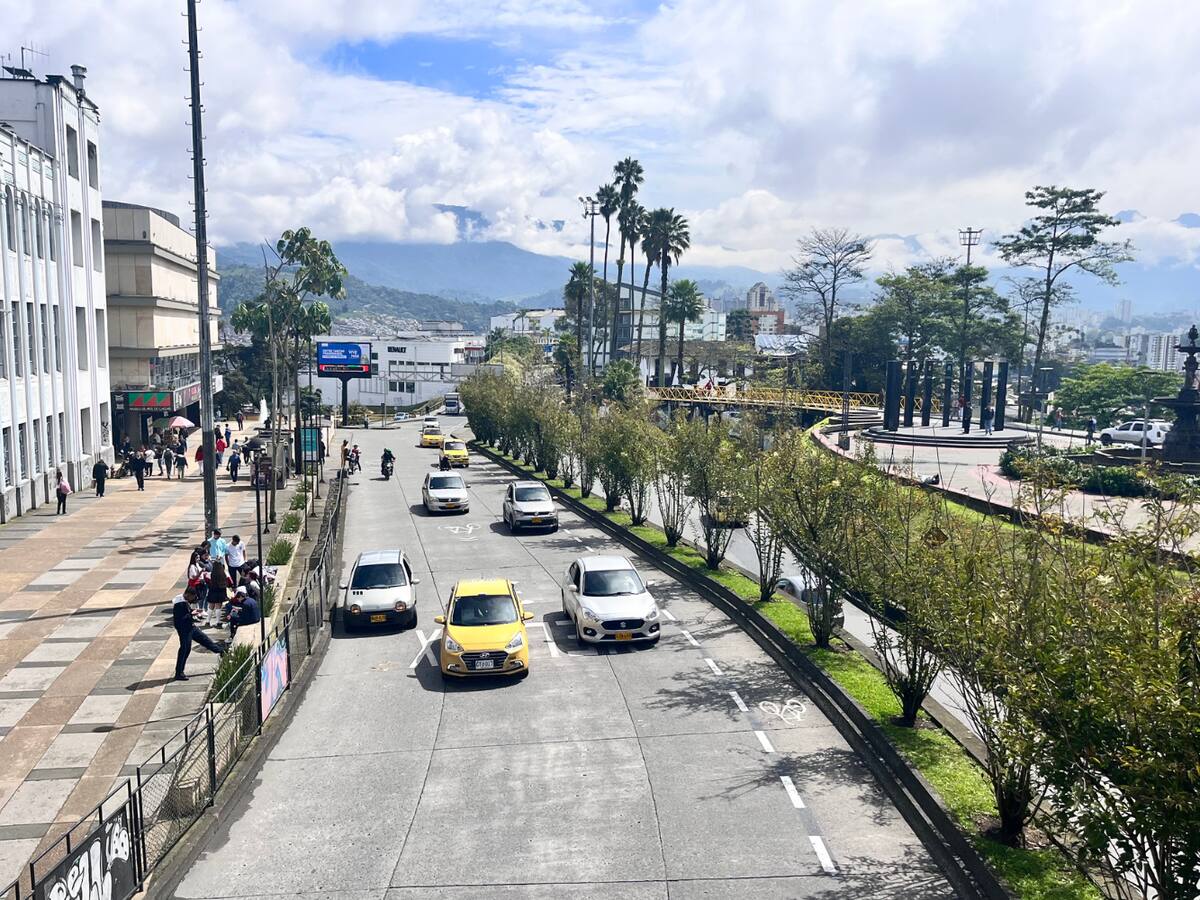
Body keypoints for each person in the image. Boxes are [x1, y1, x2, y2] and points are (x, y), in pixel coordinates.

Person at [173, 586, 225, 681]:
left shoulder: (184, 601)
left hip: (191, 627)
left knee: (205, 640)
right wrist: (191, 614)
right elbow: (179, 619)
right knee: (185, 649)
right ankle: (179, 673)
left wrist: (193, 612)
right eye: (193, 597)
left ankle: (221, 651)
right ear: (188, 595)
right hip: (184, 630)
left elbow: (187, 613)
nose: (193, 599)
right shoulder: (179, 604)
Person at [207, 557, 228, 627]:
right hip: (221, 590)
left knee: (211, 606)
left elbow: (207, 581)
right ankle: (218, 621)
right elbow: (230, 582)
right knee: (218, 606)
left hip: (212, 590)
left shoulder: (210, 574)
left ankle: (208, 621)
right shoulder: (224, 574)